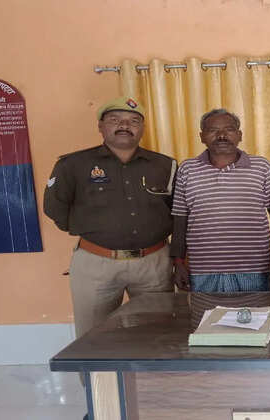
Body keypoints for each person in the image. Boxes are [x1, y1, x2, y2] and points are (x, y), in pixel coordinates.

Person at [43, 96, 177, 340]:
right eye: (115, 120)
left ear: (142, 128)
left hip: (153, 264)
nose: (124, 125)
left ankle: (151, 368)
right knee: (93, 337)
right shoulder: (73, 164)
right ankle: (97, 370)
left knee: (158, 334)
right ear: (101, 127)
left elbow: (178, 211)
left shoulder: (164, 165)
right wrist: (93, 231)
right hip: (96, 263)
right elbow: (55, 207)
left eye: (133, 121)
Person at [170, 109, 270, 292]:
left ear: (239, 135)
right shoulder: (187, 169)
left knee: (255, 310)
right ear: (202, 137)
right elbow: (180, 219)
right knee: (205, 311)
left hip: (254, 269)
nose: (222, 136)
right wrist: (178, 262)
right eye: (213, 130)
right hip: (202, 270)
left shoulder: (261, 167)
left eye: (229, 129)